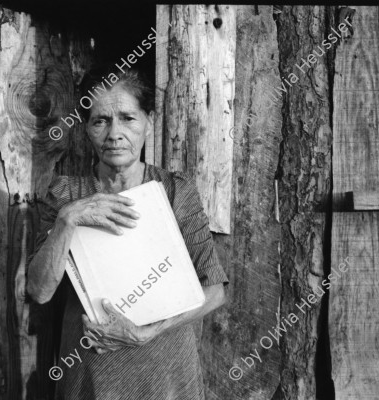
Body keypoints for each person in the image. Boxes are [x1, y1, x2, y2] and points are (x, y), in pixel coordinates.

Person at [26, 65, 229, 400]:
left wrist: (147, 332)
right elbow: (40, 290)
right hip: (91, 369)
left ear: (148, 122)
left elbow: (215, 290)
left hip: (165, 374)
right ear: (87, 128)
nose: (114, 133)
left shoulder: (174, 191)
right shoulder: (64, 196)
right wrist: (67, 221)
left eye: (127, 118)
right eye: (100, 120)